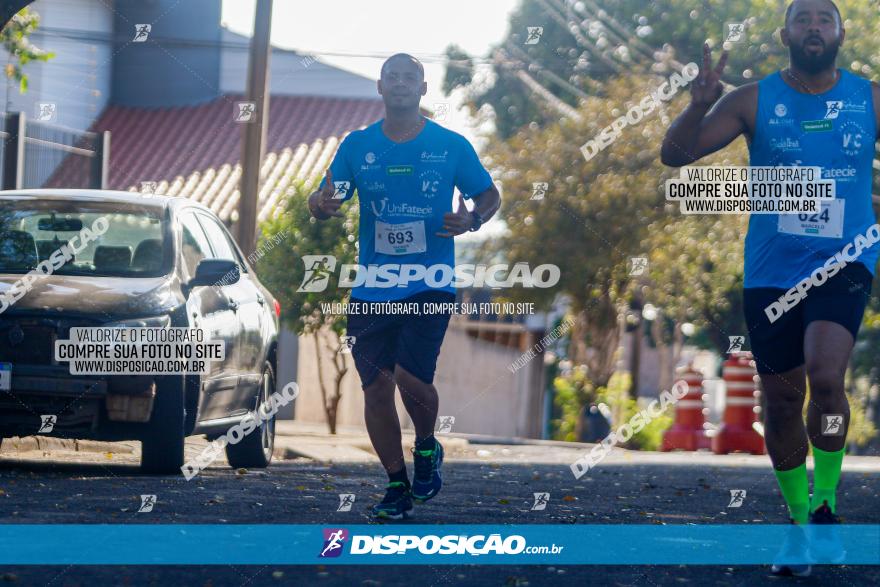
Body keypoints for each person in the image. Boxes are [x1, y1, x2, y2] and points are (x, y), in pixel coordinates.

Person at [662, 0, 878, 576]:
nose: (814, 27)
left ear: (839, 32)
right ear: (785, 33)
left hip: (846, 261)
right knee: (780, 399)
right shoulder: (753, 99)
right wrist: (698, 105)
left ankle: (829, 501)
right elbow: (675, 155)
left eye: (824, 19)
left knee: (826, 379)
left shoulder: (869, 97)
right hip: (771, 270)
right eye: (803, 18)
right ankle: (800, 524)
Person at [308, 53, 501, 519]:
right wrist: (320, 204)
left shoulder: (451, 146)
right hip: (372, 287)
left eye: (408, 77)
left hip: (429, 283)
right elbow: (327, 196)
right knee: (376, 387)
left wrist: (472, 219)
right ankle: (396, 484)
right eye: (391, 77)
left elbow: (490, 195)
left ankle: (428, 446)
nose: (399, 84)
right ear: (379, 87)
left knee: (413, 380)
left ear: (422, 89)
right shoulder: (357, 146)